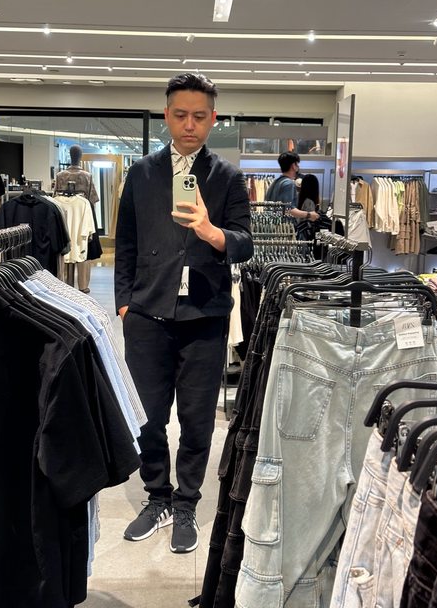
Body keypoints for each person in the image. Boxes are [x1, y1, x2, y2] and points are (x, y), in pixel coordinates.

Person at [114, 73, 253, 554]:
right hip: (146, 315)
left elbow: (245, 244)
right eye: (180, 115)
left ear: (213, 119)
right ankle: (157, 496)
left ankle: (187, 501)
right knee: (148, 418)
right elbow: (126, 242)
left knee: (196, 420)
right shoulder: (141, 173)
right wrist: (125, 303)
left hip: (205, 318)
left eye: (198, 116)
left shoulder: (228, 177)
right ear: (166, 115)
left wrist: (214, 233)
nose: (189, 125)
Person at [54, 144, 101, 293]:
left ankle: (65, 285)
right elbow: (93, 199)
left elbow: (55, 197)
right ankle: (83, 286)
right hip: (82, 213)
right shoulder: (87, 176)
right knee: (83, 248)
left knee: (65, 248)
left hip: (64, 214)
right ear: (80, 157)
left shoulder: (60, 175)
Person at [265, 150, 319, 222]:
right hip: (284, 225)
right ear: (293, 165)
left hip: (272, 223)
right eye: (297, 164)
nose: (298, 166)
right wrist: (309, 214)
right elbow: (289, 209)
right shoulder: (288, 183)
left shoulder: (275, 182)